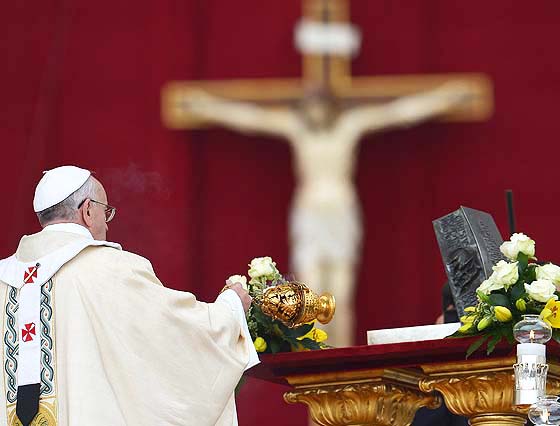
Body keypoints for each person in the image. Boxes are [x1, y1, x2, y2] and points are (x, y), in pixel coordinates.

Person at [181, 81, 472, 347]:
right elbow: (250, 119)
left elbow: (400, 112)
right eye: (311, 106)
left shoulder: (349, 126)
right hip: (309, 213)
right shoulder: (297, 128)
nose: (316, 112)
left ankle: (340, 357)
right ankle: (314, 359)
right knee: (308, 292)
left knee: (341, 293)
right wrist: (207, 105)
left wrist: (444, 97)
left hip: (341, 213)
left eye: (321, 106)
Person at [0, 165, 257, 426]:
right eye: (105, 211)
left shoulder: (3, 278)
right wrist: (231, 307)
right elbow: (177, 336)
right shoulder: (112, 269)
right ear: (88, 211)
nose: (107, 225)